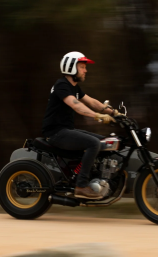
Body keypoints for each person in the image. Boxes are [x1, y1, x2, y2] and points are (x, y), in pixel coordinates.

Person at [41, 51, 120, 199]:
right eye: (82, 67)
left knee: (104, 142)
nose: (85, 70)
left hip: (66, 130)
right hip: (55, 133)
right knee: (94, 143)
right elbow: (76, 105)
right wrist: (97, 116)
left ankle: (94, 178)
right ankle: (81, 186)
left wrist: (114, 113)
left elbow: (92, 102)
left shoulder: (74, 88)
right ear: (71, 68)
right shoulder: (61, 85)